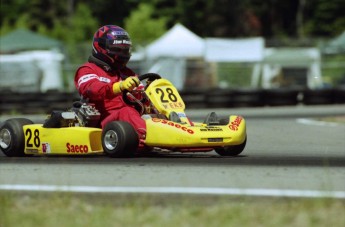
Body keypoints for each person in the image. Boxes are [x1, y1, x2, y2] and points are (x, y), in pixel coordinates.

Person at [74, 25, 146, 140]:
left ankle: (183, 136)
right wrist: (119, 86)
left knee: (165, 114)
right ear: (101, 48)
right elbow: (90, 89)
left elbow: (142, 97)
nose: (122, 53)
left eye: (125, 50)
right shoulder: (87, 69)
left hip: (131, 120)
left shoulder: (127, 73)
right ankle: (147, 138)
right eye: (117, 49)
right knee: (127, 112)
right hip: (104, 124)